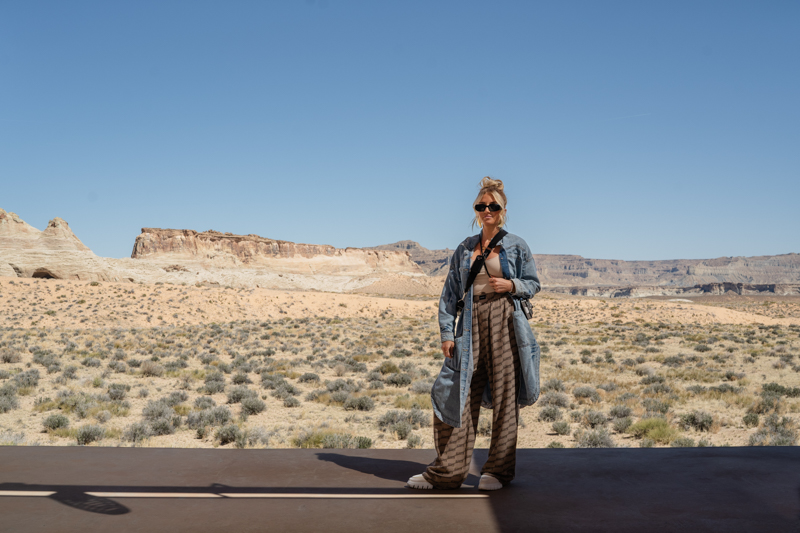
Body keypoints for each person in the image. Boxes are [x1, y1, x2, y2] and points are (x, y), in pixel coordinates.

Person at [407, 177, 542, 491]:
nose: (487, 210)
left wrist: (512, 286)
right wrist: (447, 333)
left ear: (503, 209)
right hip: (470, 322)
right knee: (456, 392)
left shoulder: (516, 245)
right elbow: (449, 294)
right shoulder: (465, 248)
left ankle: (496, 471)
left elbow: (533, 283)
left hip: (506, 319)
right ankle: (449, 471)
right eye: (481, 206)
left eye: (493, 206)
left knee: (506, 397)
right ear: (475, 210)